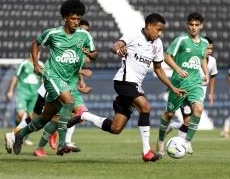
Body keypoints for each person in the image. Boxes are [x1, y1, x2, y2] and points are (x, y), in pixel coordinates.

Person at [67, 13, 186, 162]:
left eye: (162, 30)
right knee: (146, 108)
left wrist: (173, 87)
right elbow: (114, 46)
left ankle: (83, 115)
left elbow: (158, 69)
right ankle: (146, 152)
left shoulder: (158, 44)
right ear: (149, 25)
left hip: (135, 84)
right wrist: (118, 50)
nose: (160, 33)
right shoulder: (134, 35)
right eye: (158, 29)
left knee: (116, 128)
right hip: (124, 81)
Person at [13, 0, 97, 156]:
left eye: (79, 19)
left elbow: (94, 53)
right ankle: (63, 142)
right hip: (51, 76)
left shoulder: (84, 35)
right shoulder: (53, 33)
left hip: (69, 82)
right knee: (70, 103)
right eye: (73, 18)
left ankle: (20, 134)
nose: (76, 22)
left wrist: (90, 55)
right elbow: (35, 43)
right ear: (64, 18)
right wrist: (36, 64)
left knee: (45, 117)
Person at [155, 12, 209, 155]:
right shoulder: (181, 40)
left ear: (201, 26)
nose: (193, 27)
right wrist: (178, 69)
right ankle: (160, 139)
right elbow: (167, 58)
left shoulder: (204, 42)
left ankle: (187, 141)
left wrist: (206, 73)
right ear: (187, 24)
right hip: (178, 83)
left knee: (198, 109)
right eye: (191, 24)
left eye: (196, 25)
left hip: (195, 83)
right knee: (169, 114)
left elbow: (202, 58)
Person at [165, 37, 218, 139]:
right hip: (186, 90)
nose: (209, 51)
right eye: (207, 49)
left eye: (211, 49)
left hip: (199, 94)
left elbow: (213, 76)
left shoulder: (212, 61)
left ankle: (172, 126)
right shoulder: (193, 58)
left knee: (191, 122)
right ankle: (182, 144)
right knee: (187, 121)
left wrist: (211, 93)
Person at [6, 51, 44, 147]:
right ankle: (15, 133)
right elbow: (15, 77)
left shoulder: (41, 65)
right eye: (37, 54)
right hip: (23, 93)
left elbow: (43, 80)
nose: (38, 56)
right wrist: (10, 91)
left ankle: (23, 137)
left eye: (39, 54)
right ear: (31, 54)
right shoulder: (23, 64)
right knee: (20, 114)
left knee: (31, 117)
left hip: (34, 95)